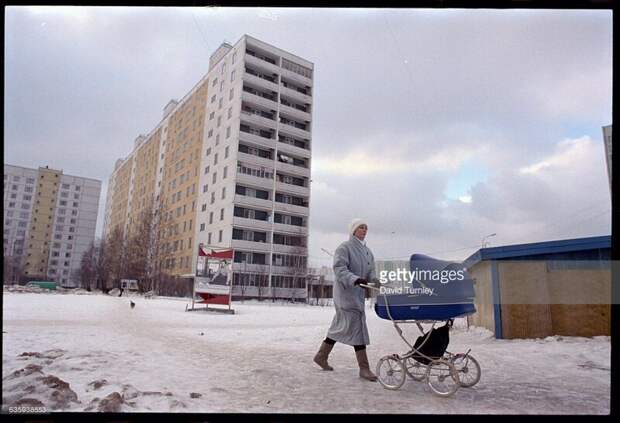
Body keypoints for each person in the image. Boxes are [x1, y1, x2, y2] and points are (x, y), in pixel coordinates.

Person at [313, 218, 378, 381]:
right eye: (361, 227)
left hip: (358, 294)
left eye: (366, 228)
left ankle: (321, 356)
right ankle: (364, 368)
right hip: (345, 294)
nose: (364, 230)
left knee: (339, 326)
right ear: (353, 230)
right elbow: (339, 268)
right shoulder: (345, 247)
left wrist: (374, 280)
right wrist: (355, 279)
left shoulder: (368, 252)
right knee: (357, 326)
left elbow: (371, 271)